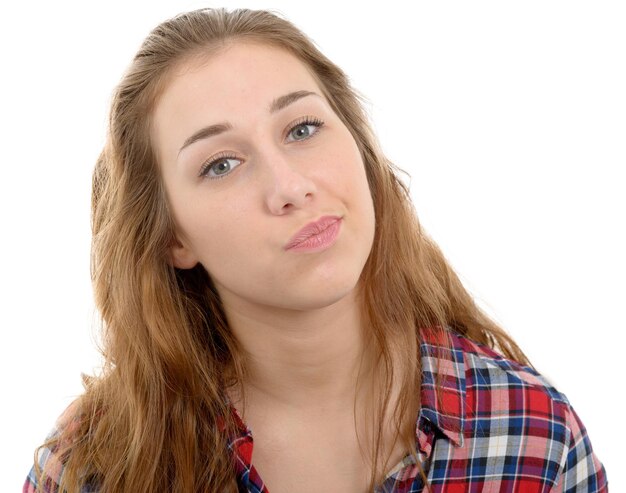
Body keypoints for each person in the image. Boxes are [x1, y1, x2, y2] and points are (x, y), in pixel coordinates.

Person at [24, 7, 607, 493]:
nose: (290, 187)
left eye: (302, 129)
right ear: (173, 238)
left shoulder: (532, 436)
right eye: (221, 164)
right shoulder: (92, 467)